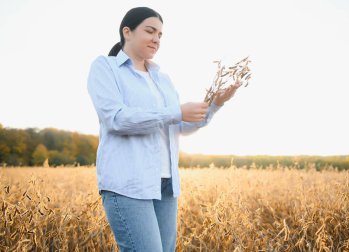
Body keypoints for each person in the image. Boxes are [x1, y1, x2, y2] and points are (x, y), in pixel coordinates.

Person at [87, 6, 240, 252]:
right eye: (150, 31)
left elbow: (180, 126)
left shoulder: (163, 79)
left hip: (166, 184)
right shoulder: (105, 67)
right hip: (128, 184)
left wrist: (216, 104)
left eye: (160, 34)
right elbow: (115, 119)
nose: (157, 39)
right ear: (127, 32)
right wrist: (176, 112)